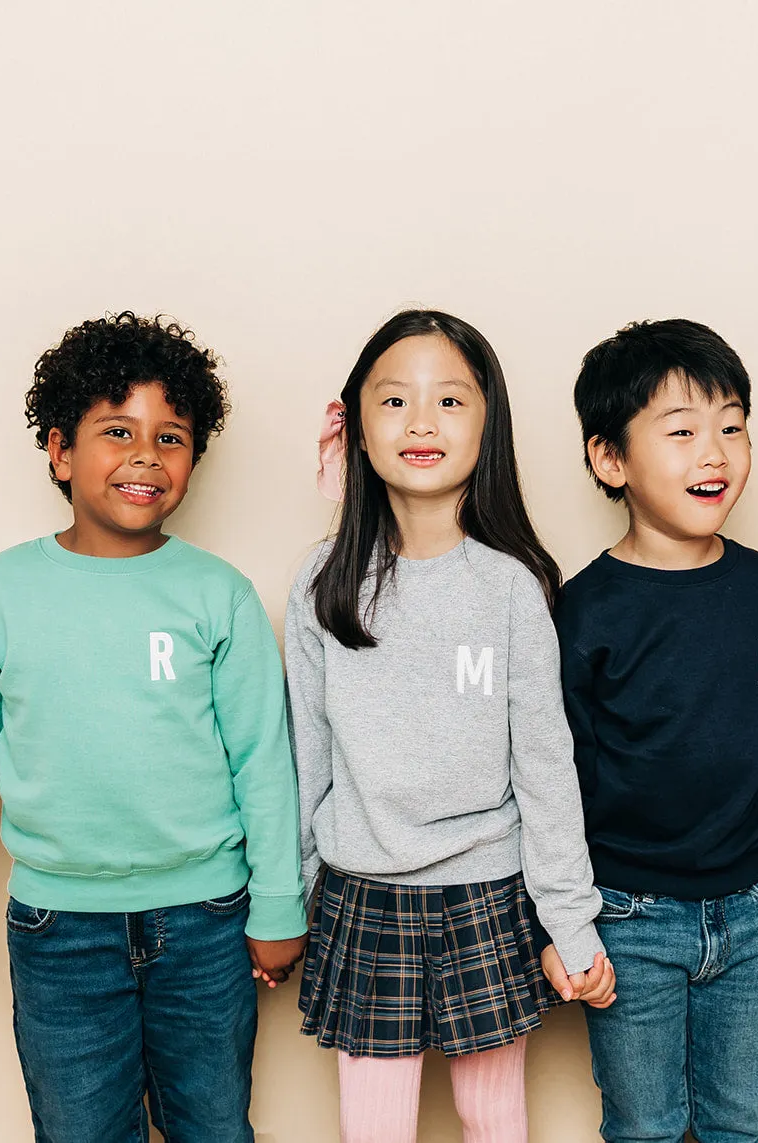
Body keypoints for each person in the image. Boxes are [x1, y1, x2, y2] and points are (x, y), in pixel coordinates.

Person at [0, 312, 305, 1142]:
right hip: (58, 932)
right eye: (116, 430)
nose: (144, 456)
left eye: (172, 436)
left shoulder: (217, 594)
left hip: (206, 918)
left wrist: (277, 901)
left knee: (214, 1126)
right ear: (59, 449)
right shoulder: (4, 590)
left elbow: (263, 759)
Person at [286, 309, 612, 1143]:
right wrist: (292, 896)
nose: (422, 422)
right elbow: (306, 758)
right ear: (355, 427)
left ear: (487, 425)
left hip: (486, 892)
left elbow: (547, 768)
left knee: (494, 1117)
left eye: (450, 402)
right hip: (362, 893)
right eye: (394, 401)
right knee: (375, 1126)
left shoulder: (512, 588)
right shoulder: (323, 582)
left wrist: (569, 923)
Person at [553, 318, 758, 1143]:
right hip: (628, 916)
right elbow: (556, 774)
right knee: (645, 1125)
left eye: (732, 426)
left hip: (748, 910)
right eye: (683, 432)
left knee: (747, 1120)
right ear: (610, 458)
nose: (716, 452)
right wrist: (562, 923)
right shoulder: (586, 611)